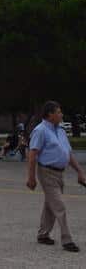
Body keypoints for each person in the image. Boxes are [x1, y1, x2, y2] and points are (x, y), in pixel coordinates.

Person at [27, 101, 86, 252]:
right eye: (58, 112)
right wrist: (31, 178)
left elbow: (68, 153)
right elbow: (32, 155)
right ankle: (67, 240)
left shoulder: (60, 131)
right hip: (46, 172)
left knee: (50, 205)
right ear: (50, 115)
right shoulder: (40, 131)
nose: (61, 114)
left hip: (59, 173)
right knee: (59, 205)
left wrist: (80, 171)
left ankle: (43, 235)